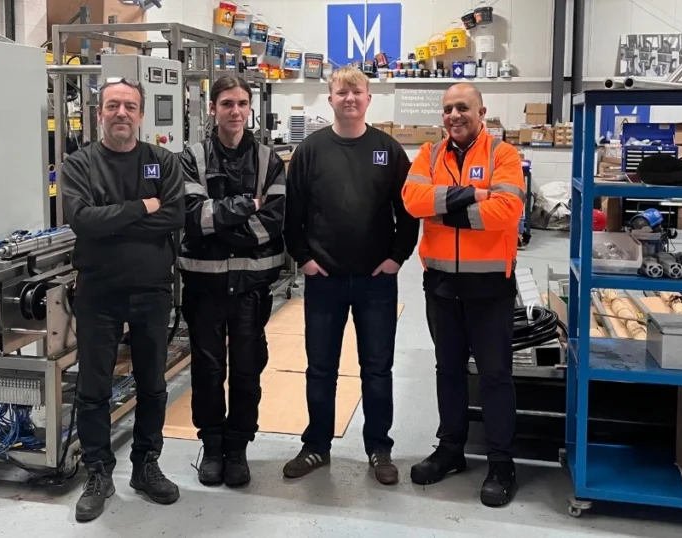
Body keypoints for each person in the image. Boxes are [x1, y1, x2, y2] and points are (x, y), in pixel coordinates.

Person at [282, 66, 420, 485]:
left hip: (376, 281)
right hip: (323, 280)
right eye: (341, 92)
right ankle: (316, 446)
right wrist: (304, 259)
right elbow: (293, 215)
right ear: (330, 99)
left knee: (377, 369)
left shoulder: (389, 150)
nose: (349, 98)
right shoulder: (310, 151)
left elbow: (408, 211)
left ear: (368, 98)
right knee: (320, 367)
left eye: (356, 91)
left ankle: (379, 448)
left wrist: (397, 257)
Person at [61, 78, 185, 522]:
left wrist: (115, 218)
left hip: (152, 291)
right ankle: (98, 472)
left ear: (141, 114)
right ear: (99, 113)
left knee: (153, 384)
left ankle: (146, 466)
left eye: (129, 106)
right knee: (93, 387)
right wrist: (141, 208)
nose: (121, 113)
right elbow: (82, 220)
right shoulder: (79, 165)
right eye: (112, 105)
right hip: (98, 292)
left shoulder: (162, 161)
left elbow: (175, 215)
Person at [400, 83, 526, 508]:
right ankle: (451, 450)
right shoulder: (429, 155)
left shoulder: (502, 154)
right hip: (440, 286)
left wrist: (443, 211)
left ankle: (501, 461)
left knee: (494, 376)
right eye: (448, 109)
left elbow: (508, 210)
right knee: (448, 370)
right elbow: (412, 201)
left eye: (463, 108)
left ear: (481, 112)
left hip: (490, 287)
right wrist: (474, 195)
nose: (455, 115)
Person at [176, 74, 287, 488]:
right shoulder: (192, 158)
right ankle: (213, 445)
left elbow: (274, 222)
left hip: (251, 287)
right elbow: (192, 216)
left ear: (250, 108)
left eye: (242, 103)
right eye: (227, 104)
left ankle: (238, 446)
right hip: (204, 287)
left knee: (246, 369)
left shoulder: (267, 159)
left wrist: (221, 221)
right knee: (206, 371)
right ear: (212, 108)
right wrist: (245, 207)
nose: (235, 111)